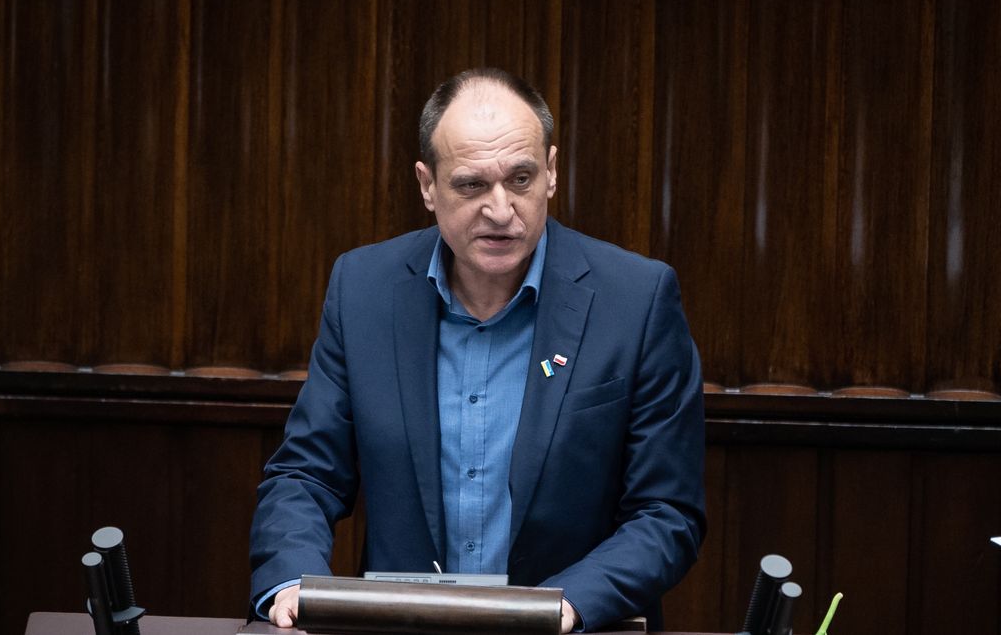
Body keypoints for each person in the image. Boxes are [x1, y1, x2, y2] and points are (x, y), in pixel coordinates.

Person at [249, 68, 706, 633]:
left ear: (552, 173)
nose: (499, 209)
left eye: (520, 179)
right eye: (470, 185)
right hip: (404, 628)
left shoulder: (635, 301)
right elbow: (306, 474)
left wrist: (567, 606)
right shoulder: (363, 289)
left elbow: (667, 512)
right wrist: (293, 580)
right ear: (427, 185)